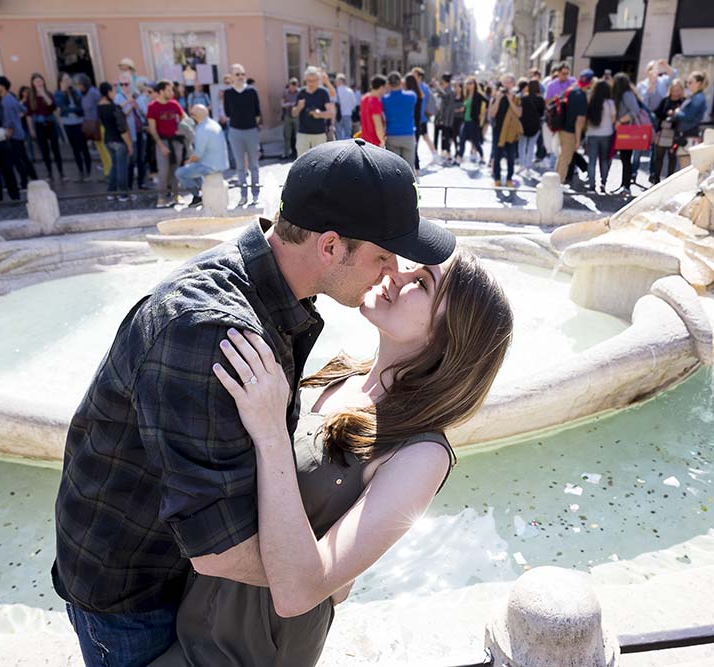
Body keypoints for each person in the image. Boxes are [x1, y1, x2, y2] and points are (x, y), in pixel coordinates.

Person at [53, 139, 458, 667]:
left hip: (174, 579)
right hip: (134, 594)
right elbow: (219, 550)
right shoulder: (208, 331)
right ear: (331, 247)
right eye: (383, 254)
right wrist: (323, 576)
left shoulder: (274, 287)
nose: (392, 271)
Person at [153, 248, 512, 667]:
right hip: (190, 611)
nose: (397, 272)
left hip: (252, 648)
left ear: (449, 334)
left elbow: (301, 593)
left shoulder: (422, 453)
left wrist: (270, 431)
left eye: (422, 282)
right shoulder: (342, 371)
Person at [175, 103, 229, 205]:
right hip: (221, 163)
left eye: (192, 114)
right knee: (194, 168)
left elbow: (197, 155)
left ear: (195, 116)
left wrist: (188, 162)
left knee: (180, 173)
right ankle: (201, 191)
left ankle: (197, 196)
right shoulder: (214, 124)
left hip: (209, 166)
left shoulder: (202, 129)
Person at [147, 79, 187, 207]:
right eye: (169, 90)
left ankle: (176, 196)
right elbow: (152, 129)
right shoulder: (152, 107)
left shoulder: (175, 104)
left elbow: (185, 120)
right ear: (161, 91)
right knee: (163, 172)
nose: (172, 92)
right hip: (162, 142)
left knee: (175, 171)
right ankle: (161, 198)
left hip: (176, 142)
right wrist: (161, 145)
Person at [0, 76, 37, 189]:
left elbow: (9, 120)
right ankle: (34, 179)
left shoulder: (7, 101)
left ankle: (24, 184)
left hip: (13, 135)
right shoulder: (10, 98)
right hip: (17, 133)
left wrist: (9, 131)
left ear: (2, 86)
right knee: (23, 159)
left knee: (18, 161)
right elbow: (23, 110)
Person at [223, 63, 262, 191]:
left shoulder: (252, 91)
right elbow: (227, 112)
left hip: (251, 131)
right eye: (237, 74)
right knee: (240, 166)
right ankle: (243, 194)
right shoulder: (228, 93)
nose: (241, 76)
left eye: (243, 74)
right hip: (235, 131)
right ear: (231, 77)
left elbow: (258, 112)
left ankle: (255, 193)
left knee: (254, 165)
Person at [97, 82, 133, 202]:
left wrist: (127, 103)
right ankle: (123, 194)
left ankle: (111, 192)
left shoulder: (100, 107)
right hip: (119, 141)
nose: (114, 93)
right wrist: (129, 145)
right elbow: (122, 129)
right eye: (113, 91)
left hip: (108, 140)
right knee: (121, 168)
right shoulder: (113, 108)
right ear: (108, 92)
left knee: (114, 167)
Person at [27, 73, 66, 181]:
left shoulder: (48, 94)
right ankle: (49, 173)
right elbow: (29, 115)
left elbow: (52, 106)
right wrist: (31, 129)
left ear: (43, 82)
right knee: (44, 151)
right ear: (32, 83)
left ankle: (61, 172)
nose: (38, 83)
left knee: (56, 149)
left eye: (40, 81)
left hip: (50, 124)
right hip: (39, 126)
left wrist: (43, 94)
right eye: (36, 81)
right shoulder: (30, 97)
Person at [54, 73, 92, 181]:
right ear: (60, 81)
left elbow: (81, 107)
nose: (67, 82)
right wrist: (62, 91)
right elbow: (61, 107)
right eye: (64, 80)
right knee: (75, 149)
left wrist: (72, 110)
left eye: (68, 79)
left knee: (84, 148)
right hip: (68, 124)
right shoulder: (58, 94)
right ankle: (81, 171)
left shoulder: (76, 92)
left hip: (80, 123)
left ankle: (88, 172)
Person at [612, 72, 644, 195]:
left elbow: (635, 111)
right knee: (624, 158)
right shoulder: (626, 94)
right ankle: (623, 185)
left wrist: (620, 120)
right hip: (623, 130)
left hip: (627, 129)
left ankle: (626, 186)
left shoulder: (626, 94)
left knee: (626, 158)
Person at [115, 72, 148, 191]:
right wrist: (130, 106)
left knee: (141, 158)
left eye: (126, 84)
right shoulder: (118, 98)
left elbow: (145, 113)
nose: (124, 86)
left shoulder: (138, 96)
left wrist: (137, 107)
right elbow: (119, 115)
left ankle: (141, 182)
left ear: (131, 84)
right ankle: (128, 185)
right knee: (131, 159)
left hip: (140, 130)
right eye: (121, 84)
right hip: (130, 132)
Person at [489, 73, 523, 188]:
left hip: (511, 132)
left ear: (513, 84)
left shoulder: (517, 97)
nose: (507, 84)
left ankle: (509, 178)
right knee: (497, 155)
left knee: (511, 156)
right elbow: (491, 114)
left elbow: (519, 113)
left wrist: (510, 100)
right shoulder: (497, 96)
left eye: (509, 82)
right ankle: (497, 178)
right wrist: (498, 100)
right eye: (505, 82)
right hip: (498, 130)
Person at [556, 70, 588, 189]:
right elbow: (579, 122)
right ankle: (559, 183)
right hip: (570, 132)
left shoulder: (570, 90)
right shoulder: (582, 97)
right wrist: (578, 140)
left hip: (562, 128)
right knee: (566, 159)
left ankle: (556, 181)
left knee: (562, 157)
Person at [74, 74, 110, 179]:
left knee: (104, 149)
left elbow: (102, 105)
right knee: (100, 149)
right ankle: (106, 171)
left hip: (99, 124)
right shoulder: (83, 94)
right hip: (91, 125)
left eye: (79, 84)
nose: (77, 87)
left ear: (84, 84)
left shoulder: (93, 93)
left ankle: (110, 172)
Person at [293, 67, 334, 156]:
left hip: (319, 134)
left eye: (313, 81)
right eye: (308, 81)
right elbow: (294, 113)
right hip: (303, 133)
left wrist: (319, 114)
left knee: (319, 162)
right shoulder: (301, 93)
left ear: (318, 80)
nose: (311, 83)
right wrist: (299, 107)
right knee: (301, 162)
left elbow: (331, 113)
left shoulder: (323, 92)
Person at [650, 79, 685, 184]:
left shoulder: (683, 102)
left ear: (681, 90)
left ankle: (669, 180)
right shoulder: (665, 100)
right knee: (659, 156)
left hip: (675, 133)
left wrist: (675, 114)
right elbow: (657, 113)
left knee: (672, 157)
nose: (675, 92)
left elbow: (685, 118)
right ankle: (656, 179)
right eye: (673, 90)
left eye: (677, 90)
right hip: (663, 131)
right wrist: (666, 114)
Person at [672, 72, 708, 171]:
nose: (688, 84)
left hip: (689, 135)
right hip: (686, 134)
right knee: (684, 165)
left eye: (690, 82)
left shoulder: (698, 98)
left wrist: (677, 112)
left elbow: (688, 116)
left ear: (699, 83)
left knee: (685, 167)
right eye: (687, 82)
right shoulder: (695, 96)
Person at [381, 71, 417, 169]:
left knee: (394, 168)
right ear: (401, 82)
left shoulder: (384, 99)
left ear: (388, 84)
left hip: (392, 135)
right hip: (408, 135)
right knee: (409, 168)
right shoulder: (411, 96)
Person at [585, 78, 615, 194]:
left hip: (592, 134)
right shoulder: (610, 103)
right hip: (606, 134)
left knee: (592, 161)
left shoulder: (591, 101)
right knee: (604, 160)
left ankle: (592, 186)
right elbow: (613, 119)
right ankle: (603, 183)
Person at [455, 76, 486, 164]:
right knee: (462, 140)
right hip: (465, 121)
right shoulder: (467, 95)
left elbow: (486, 102)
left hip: (473, 121)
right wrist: (461, 110)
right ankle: (459, 158)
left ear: (474, 85)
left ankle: (482, 157)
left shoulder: (477, 95)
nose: (468, 85)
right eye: (467, 83)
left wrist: (481, 113)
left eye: (471, 83)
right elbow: (466, 107)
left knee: (475, 141)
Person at [517, 77, 544, 176]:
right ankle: (528, 166)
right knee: (531, 146)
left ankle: (522, 164)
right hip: (535, 124)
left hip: (524, 124)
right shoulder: (541, 99)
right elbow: (541, 114)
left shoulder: (523, 99)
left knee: (522, 145)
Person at [412, 66, 438, 155]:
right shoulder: (422, 86)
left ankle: (434, 153)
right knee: (425, 137)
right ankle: (434, 153)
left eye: (414, 75)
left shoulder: (421, 88)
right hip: (421, 117)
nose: (412, 77)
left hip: (420, 117)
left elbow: (422, 105)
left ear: (419, 77)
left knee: (422, 137)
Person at [403, 73, 427, 170]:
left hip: (409, 124)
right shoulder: (419, 95)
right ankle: (417, 172)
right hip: (417, 123)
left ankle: (413, 172)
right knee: (415, 149)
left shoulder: (409, 96)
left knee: (410, 150)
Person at [359, 74, 387, 148]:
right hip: (374, 142)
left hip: (365, 140)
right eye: (385, 88)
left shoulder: (364, 98)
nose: (385, 91)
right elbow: (378, 125)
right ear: (381, 87)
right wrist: (382, 140)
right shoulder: (375, 103)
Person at [280, 78, 300, 159]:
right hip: (287, 116)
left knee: (298, 136)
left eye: (294, 87)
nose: (293, 88)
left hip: (297, 116)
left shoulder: (299, 92)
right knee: (287, 136)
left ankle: (298, 153)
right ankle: (286, 153)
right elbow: (282, 104)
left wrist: (295, 105)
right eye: (292, 86)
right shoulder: (286, 92)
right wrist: (289, 104)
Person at [334, 74, 357, 140]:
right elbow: (354, 104)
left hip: (338, 116)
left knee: (339, 134)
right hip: (347, 114)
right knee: (347, 134)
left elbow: (333, 103)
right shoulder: (350, 91)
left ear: (339, 81)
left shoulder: (335, 91)